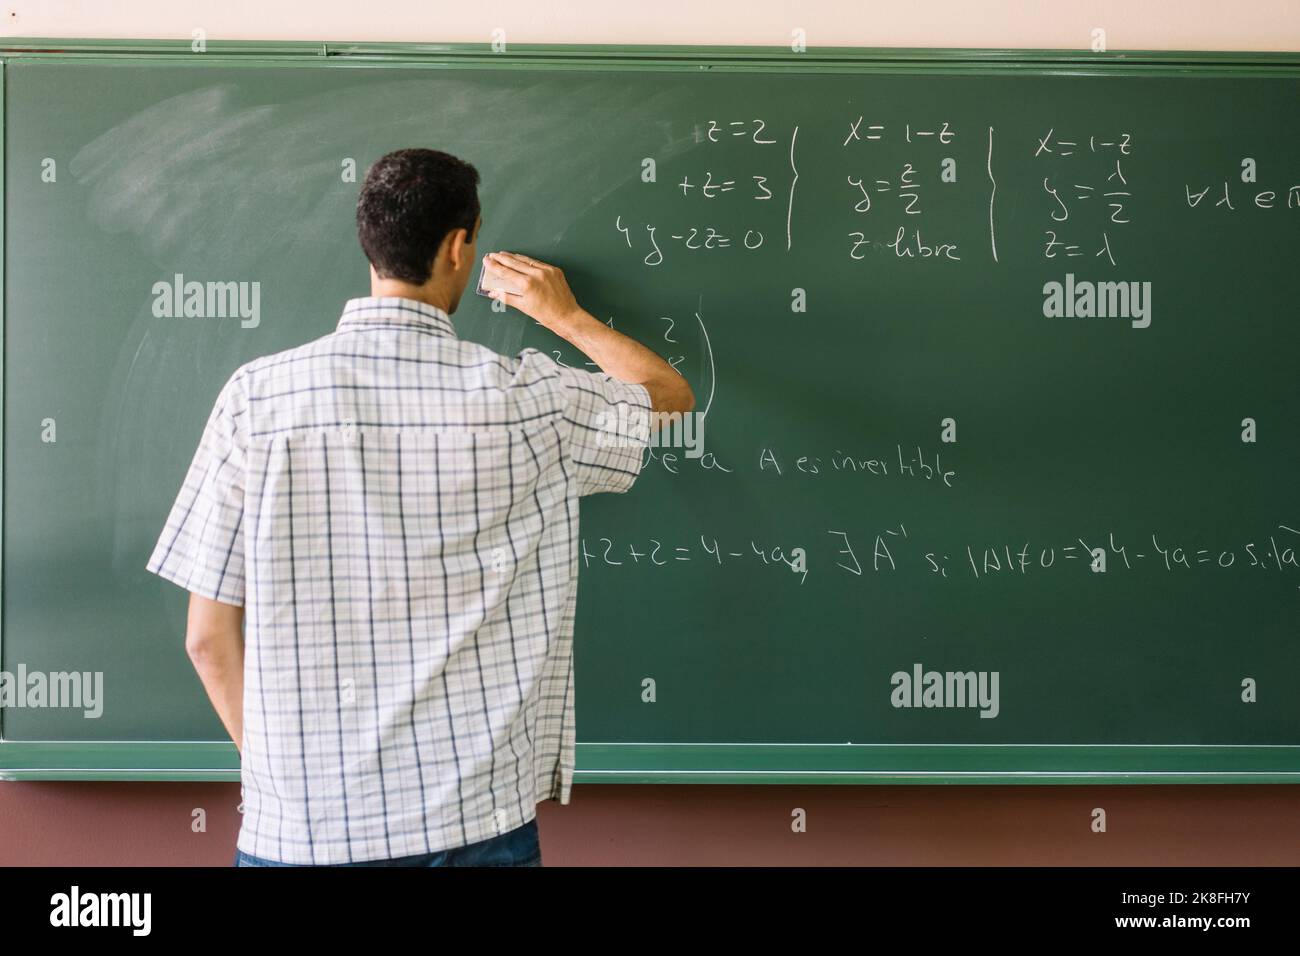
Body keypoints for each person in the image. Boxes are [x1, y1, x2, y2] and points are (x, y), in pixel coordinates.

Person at [146, 147, 693, 866]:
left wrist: (290, 783)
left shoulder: (257, 398)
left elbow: (207, 639)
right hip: (469, 825)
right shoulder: (527, 403)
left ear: (368, 244)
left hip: (297, 832)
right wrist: (565, 317)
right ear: (460, 246)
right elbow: (669, 397)